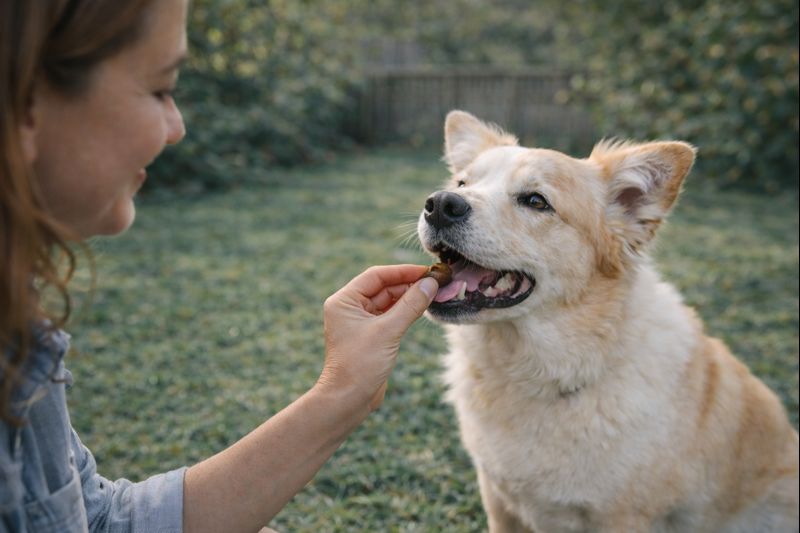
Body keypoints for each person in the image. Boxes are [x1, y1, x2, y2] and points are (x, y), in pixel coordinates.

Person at [0, 1, 440, 531]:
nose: (176, 127)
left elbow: (91, 519)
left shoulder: (17, 329)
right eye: (160, 89)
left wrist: (345, 392)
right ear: (25, 101)